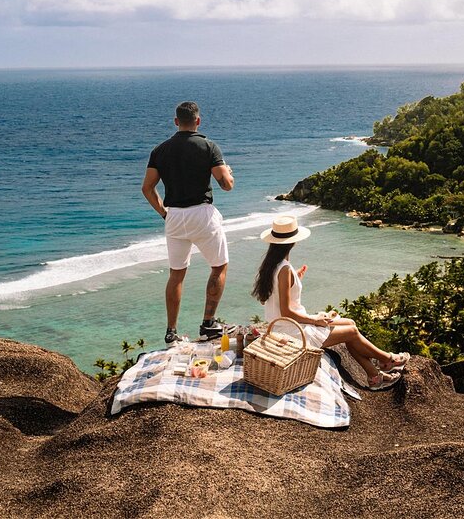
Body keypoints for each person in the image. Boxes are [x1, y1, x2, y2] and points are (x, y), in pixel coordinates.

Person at [252, 215, 409, 390]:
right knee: (351, 331)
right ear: (293, 242)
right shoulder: (284, 269)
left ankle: (375, 374)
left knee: (350, 323)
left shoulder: (271, 265)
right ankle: (388, 360)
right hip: (292, 330)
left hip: (286, 325)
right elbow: (286, 311)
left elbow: (273, 294)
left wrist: (295, 278)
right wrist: (315, 320)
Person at [142, 101, 235, 346]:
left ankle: (171, 332)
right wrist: (229, 174)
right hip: (202, 214)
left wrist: (163, 212)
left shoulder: (160, 150)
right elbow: (226, 185)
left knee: (176, 274)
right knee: (218, 266)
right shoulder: (208, 146)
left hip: (174, 217)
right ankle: (208, 324)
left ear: (176, 122)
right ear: (198, 121)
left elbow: (147, 188)